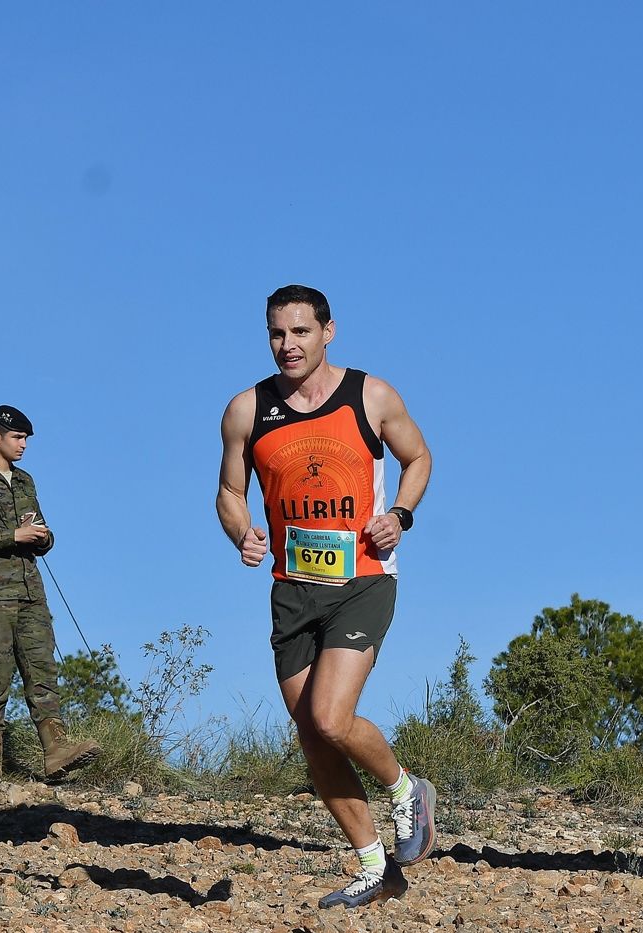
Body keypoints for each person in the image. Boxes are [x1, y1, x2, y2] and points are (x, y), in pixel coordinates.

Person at [216, 284, 437, 909]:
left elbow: (418, 457)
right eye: (276, 335)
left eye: (300, 332)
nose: (288, 346)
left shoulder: (371, 395)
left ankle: (404, 791)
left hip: (362, 581)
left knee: (330, 717)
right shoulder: (247, 409)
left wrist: (400, 513)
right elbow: (229, 492)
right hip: (292, 590)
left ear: (328, 331)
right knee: (312, 738)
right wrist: (243, 533)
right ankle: (375, 868)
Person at [0, 405, 100, 782]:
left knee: (42, 671)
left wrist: (42, 536)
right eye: (17, 438)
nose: (23, 445)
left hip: (30, 591)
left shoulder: (24, 482)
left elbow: (40, 532)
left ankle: (56, 751)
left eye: (25, 439)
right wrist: (13, 536)